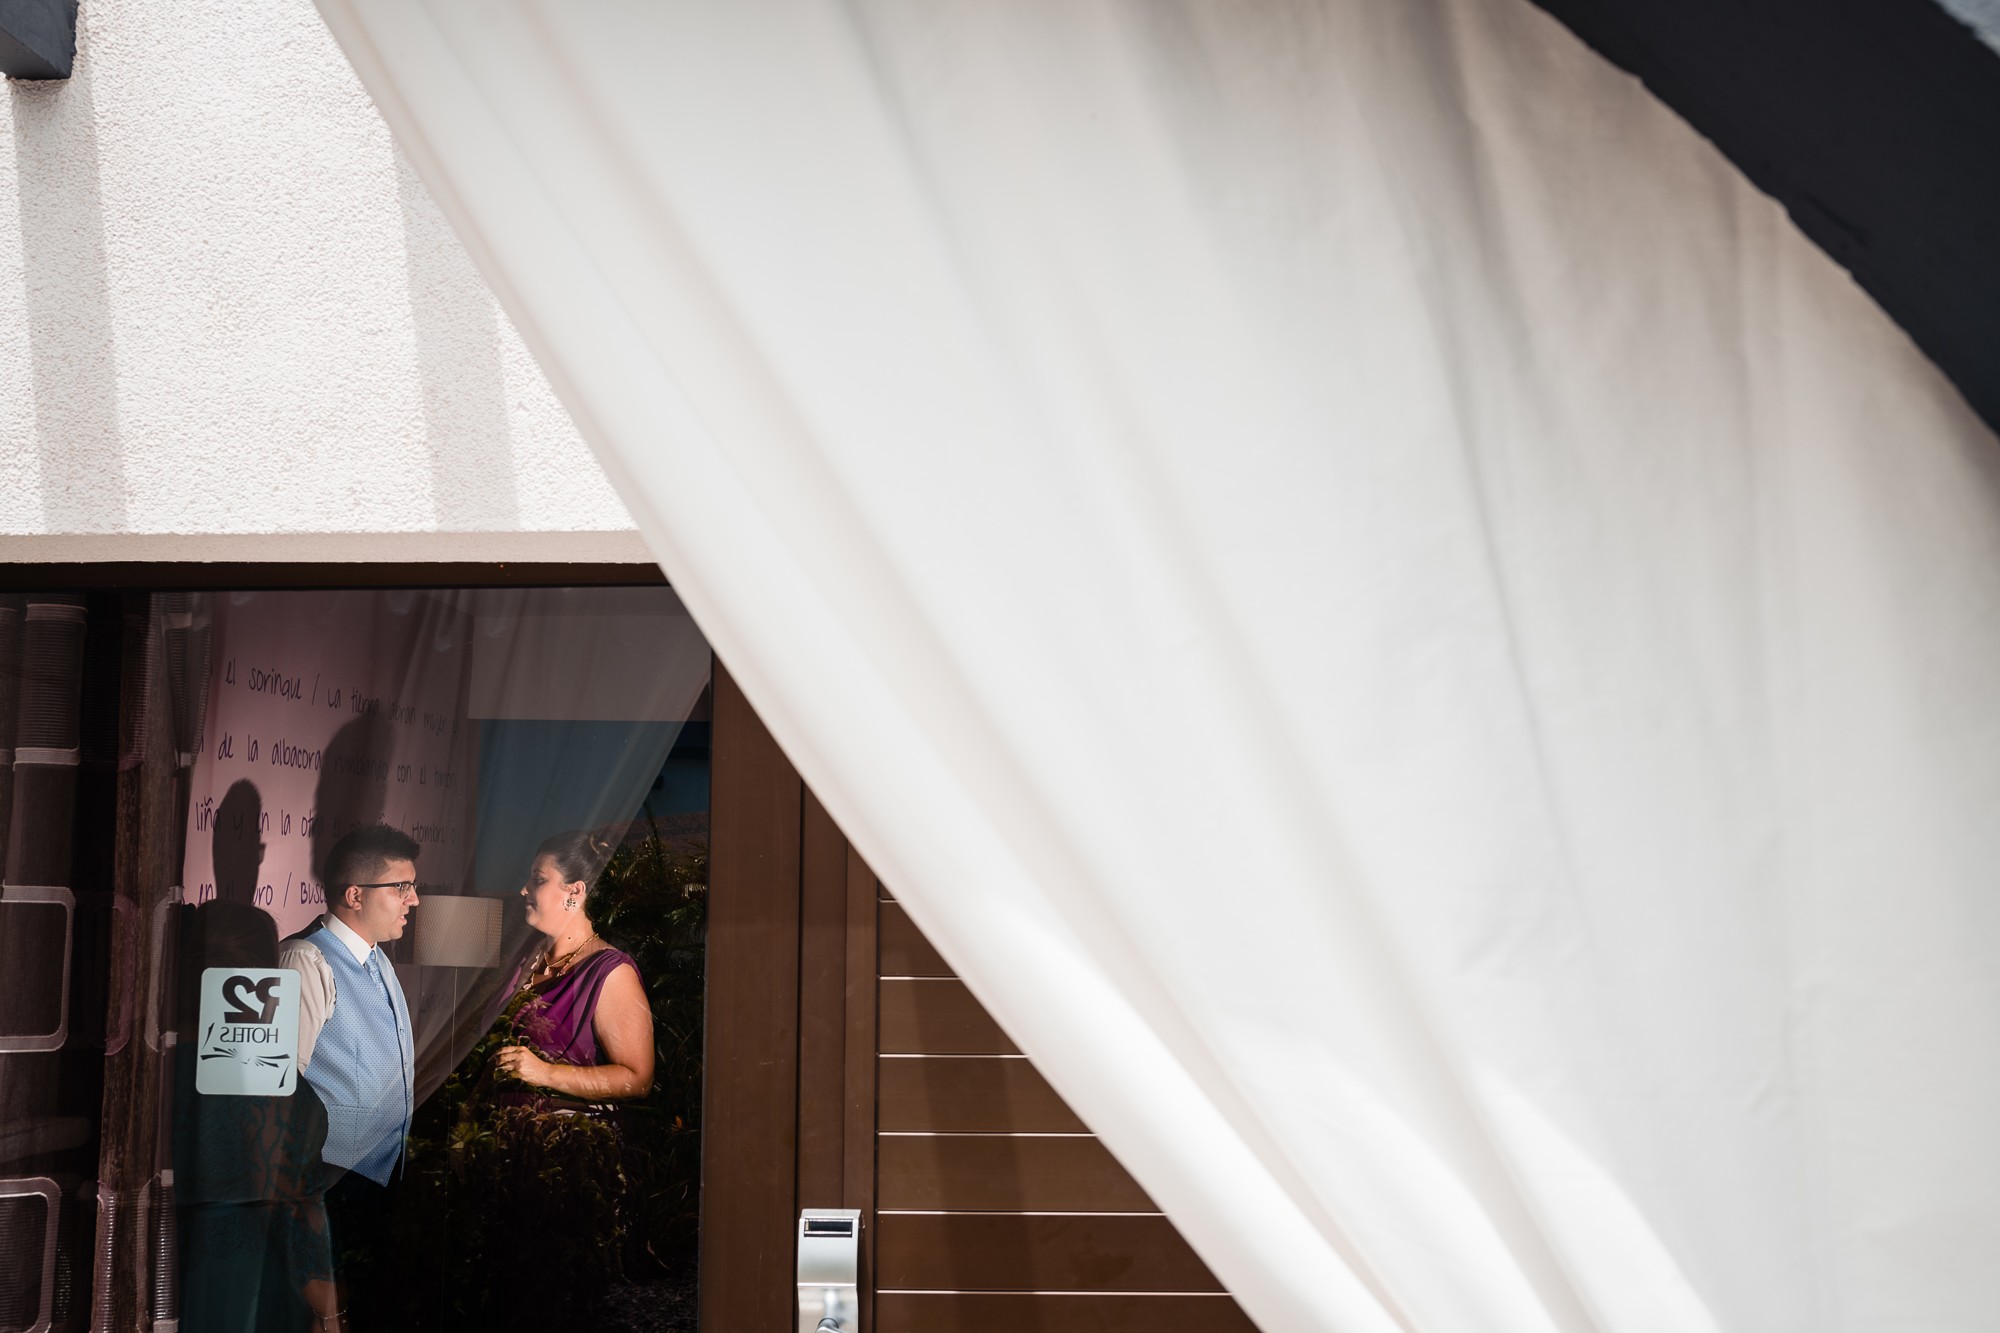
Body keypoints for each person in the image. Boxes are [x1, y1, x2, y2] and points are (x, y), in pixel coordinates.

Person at [278, 824, 421, 1329]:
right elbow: (282, 1084)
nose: (414, 900)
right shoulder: (305, 959)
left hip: (375, 1181)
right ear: (355, 895)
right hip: (327, 1182)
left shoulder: (379, 959)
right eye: (401, 887)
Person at [174, 900, 340, 1332]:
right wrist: (328, 1311)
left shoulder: (147, 1068)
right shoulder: (269, 1085)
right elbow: (297, 1206)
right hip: (248, 1282)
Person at [490, 829, 654, 1106]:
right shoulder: (527, 958)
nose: (523, 889)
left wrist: (547, 1073)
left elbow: (637, 1080)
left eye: (538, 879)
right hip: (502, 1136)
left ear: (575, 891)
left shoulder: (611, 972)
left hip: (569, 1139)